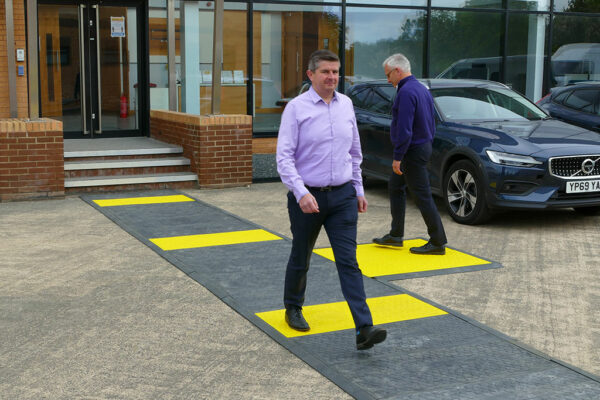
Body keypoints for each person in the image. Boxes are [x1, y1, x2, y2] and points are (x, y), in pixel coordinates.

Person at [276, 49, 386, 350]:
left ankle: (364, 328)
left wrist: (359, 189)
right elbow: (284, 158)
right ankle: (293, 307)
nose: (332, 77)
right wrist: (301, 193)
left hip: (342, 197)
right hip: (307, 198)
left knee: (349, 262)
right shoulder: (296, 109)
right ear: (311, 75)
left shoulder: (346, 105)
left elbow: (354, 151)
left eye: (336, 72)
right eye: (326, 72)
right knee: (301, 255)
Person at [373, 53, 448, 255]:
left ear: (398, 70)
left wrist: (398, 157)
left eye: (388, 75)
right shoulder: (421, 89)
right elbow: (431, 122)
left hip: (411, 151)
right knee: (395, 187)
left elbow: (405, 128)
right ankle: (396, 235)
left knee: (422, 195)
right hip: (421, 146)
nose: (388, 80)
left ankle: (438, 241)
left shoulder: (406, 92)